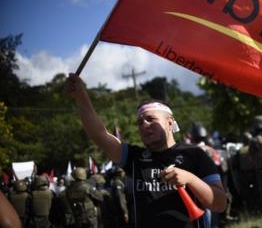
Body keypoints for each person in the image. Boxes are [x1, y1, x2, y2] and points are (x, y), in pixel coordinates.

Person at [66, 74, 226, 228]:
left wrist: (190, 179)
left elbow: (219, 204)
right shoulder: (135, 157)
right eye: (140, 122)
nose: (144, 125)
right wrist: (80, 95)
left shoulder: (195, 154)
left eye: (151, 119)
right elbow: (99, 135)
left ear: (170, 122)